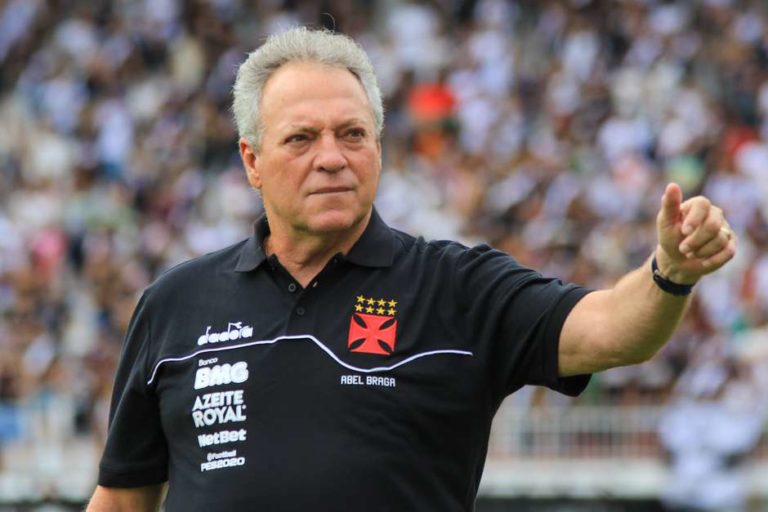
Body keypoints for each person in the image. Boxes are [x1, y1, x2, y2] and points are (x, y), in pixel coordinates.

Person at [86, 28, 737, 512]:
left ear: (378, 146)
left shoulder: (458, 287)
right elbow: (121, 500)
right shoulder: (175, 303)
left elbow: (612, 330)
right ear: (252, 161)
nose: (332, 158)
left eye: (352, 134)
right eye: (301, 138)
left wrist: (669, 271)